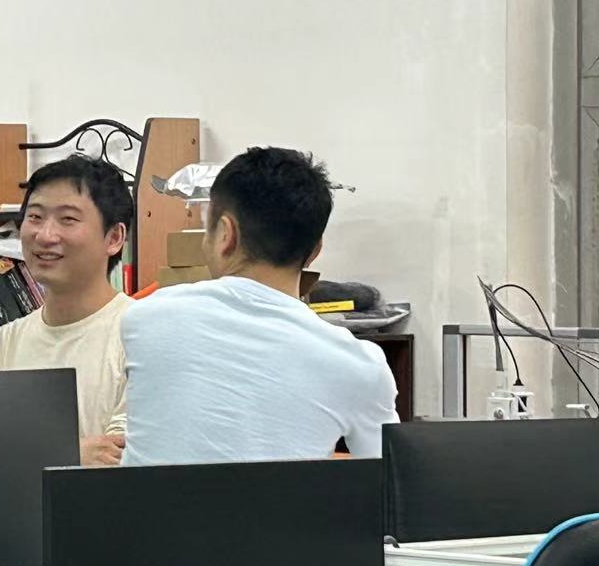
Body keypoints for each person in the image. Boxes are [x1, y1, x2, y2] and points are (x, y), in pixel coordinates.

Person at [122, 146, 397, 465]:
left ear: (225, 235)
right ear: (315, 251)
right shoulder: (360, 365)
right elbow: (395, 477)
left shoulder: (144, 319)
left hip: (148, 501)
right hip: (289, 500)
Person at [0, 155, 135, 466]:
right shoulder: (1, 346)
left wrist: (22, 456)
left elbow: (118, 460)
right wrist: (72, 454)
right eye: (35, 217)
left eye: (68, 219)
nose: (45, 235)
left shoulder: (140, 335)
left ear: (114, 238)